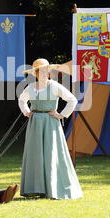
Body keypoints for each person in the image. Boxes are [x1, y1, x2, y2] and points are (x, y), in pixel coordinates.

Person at [18, 58, 83, 200]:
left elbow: (72, 99)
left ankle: (53, 188)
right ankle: (36, 188)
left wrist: (61, 115)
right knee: (36, 154)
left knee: (51, 152)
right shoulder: (31, 87)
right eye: (40, 71)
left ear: (48, 72)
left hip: (50, 123)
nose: (43, 73)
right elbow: (22, 100)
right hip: (35, 123)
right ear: (35, 73)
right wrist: (26, 111)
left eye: (45, 70)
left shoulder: (54, 86)